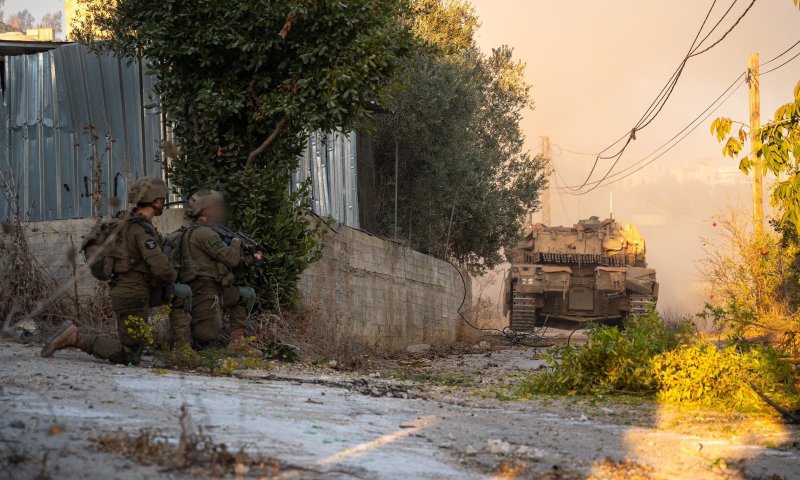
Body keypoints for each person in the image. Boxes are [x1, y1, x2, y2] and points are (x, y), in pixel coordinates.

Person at [41, 176, 179, 364]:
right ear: (156, 200)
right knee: (129, 356)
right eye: (162, 199)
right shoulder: (140, 230)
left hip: (134, 290)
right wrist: (175, 275)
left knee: (181, 293)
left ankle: (183, 348)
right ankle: (75, 337)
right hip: (132, 295)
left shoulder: (126, 222)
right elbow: (161, 269)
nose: (163, 203)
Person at [181, 189, 258, 353]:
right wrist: (236, 242)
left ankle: (237, 343)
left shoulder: (200, 231)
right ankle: (186, 346)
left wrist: (250, 259)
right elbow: (230, 258)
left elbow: (229, 263)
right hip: (203, 291)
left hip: (214, 289)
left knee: (245, 294)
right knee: (206, 339)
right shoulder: (205, 233)